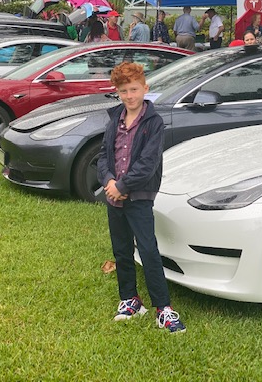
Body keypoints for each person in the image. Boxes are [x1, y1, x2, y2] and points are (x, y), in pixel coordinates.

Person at [97, 62, 186, 334]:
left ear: (145, 89)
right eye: (123, 91)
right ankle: (130, 299)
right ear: (118, 93)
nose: (129, 95)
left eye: (134, 89)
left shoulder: (154, 123)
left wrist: (124, 184)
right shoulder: (115, 119)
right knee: (121, 250)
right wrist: (110, 182)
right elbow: (103, 156)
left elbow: (148, 163)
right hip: (115, 198)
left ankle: (163, 308)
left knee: (147, 251)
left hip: (140, 198)